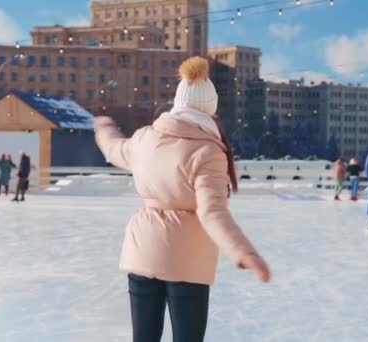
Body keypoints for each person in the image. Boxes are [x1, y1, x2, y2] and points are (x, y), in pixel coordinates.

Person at [94, 56, 271, 342]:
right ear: (210, 109)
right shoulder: (208, 152)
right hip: (188, 261)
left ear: (178, 102)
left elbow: (114, 148)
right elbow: (213, 212)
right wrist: (244, 252)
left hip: (144, 252)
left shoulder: (144, 139)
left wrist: (104, 128)